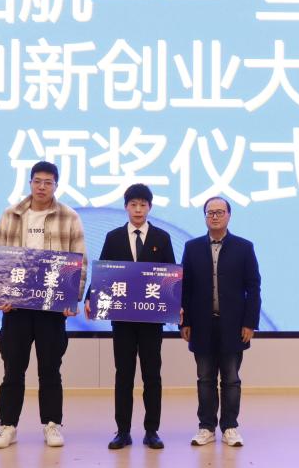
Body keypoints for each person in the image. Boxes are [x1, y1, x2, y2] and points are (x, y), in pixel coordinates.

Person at [0, 161, 86, 450]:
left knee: (50, 369)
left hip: (51, 308)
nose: (42, 186)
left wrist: (72, 298)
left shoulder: (69, 216)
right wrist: (0, 294)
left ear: (56, 185)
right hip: (17, 307)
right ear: (30, 182)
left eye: (48, 182)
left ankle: (52, 424)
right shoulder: (11, 214)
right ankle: (8, 425)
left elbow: (79, 260)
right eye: (37, 181)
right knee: (13, 368)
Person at [85, 184, 176, 450]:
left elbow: (171, 275)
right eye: (133, 204)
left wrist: (176, 304)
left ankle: (152, 430)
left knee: (152, 375)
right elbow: (103, 272)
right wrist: (90, 297)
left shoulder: (162, 237)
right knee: (123, 374)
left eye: (143, 205)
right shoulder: (114, 237)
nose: (138, 209)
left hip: (151, 320)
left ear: (150, 207)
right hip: (123, 319)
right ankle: (123, 431)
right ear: (126, 207)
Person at [179, 196, 261, 447]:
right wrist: (185, 321)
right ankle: (206, 427)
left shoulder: (244, 247)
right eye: (210, 212)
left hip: (234, 326)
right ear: (205, 216)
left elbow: (253, 287)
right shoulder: (192, 247)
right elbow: (185, 287)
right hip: (201, 324)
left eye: (219, 212)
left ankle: (230, 427)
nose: (214, 216)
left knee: (231, 379)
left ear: (229, 215)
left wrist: (250, 322)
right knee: (205, 378)